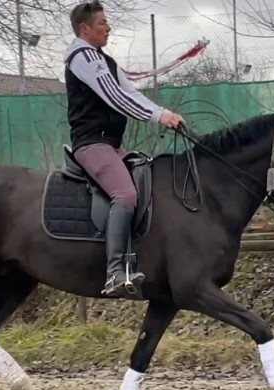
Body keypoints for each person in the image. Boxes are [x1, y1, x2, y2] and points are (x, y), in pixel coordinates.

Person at [64, 0, 185, 297]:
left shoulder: (104, 60)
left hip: (109, 144)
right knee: (126, 194)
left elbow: (130, 93)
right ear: (85, 28)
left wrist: (163, 111)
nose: (109, 28)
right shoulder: (83, 57)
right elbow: (115, 98)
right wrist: (159, 117)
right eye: (103, 23)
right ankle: (115, 271)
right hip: (91, 144)